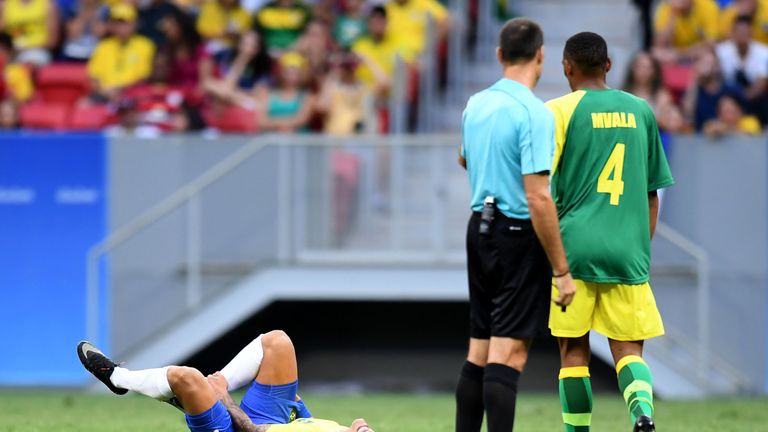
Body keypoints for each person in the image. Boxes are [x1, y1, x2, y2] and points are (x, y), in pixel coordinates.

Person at [545, 32, 675, 432]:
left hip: (574, 248)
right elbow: (652, 194)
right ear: (609, 66)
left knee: (573, 352)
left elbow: (541, 188)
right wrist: (636, 246)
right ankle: (642, 412)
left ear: (566, 66)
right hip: (627, 248)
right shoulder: (641, 110)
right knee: (629, 349)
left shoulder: (558, 111)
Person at [455, 17, 576, 432]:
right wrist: (561, 271)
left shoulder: (475, 103)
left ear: (499, 55)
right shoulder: (534, 112)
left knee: (479, 350)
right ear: (541, 55)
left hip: (479, 228)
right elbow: (538, 195)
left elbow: (464, 158)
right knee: (509, 356)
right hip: (516, 235)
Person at [77, 330, 375, 432]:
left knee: (186, 377)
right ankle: (209, 388)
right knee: (278, 342)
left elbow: (251, 430)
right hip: (273, 423)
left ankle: (118, 377)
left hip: (245, 429)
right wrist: (301, 408)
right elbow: (307, 424)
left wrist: (224, 398)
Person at [87, 4, 156, 103]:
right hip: (105, 94)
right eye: (117, 22)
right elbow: (94, 77)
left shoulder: (146, 45)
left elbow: (144, 78)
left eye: (125, 22)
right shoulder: (103, 46)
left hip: (133, 95)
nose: (121, 27)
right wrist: (105, 91)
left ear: (134, 24)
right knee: (84, 104)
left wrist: (120, 90)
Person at [716, 15, 768, 123]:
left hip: (755, 99)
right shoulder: (721, 52)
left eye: (745, 32)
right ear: (732, 33)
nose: (742, 35)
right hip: (728, 96)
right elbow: (718, 81)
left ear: (752, 33)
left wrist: (740, 101)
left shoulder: (764, 52)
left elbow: (761, 84)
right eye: (739, 32)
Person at [622, 51, 687, 132]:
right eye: (640, 67)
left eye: (648, 67)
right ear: (632, 68)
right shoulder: (623, 95)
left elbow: (668, 121)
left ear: (655, 71)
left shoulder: (662, 95)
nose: (644, 71)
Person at [682, 48, 744, 130]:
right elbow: (687, 114)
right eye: (702, 63)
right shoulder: (694, 91)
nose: (706, 68)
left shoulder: (732, 89)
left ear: (717, 65)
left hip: (730, 136)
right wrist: (695, 79)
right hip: (700, 138)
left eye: (709, 63)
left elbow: (744, 118)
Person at [254, 51, 315, 132]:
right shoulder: (267, 94)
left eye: (295, 73)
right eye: (289, 72)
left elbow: (302, 119)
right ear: (282, 73)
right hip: (272, 139)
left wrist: (274, 122)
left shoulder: (307, 96)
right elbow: (261, 120)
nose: (292, 76)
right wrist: (285, 124)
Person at [652, 0, 719, 63]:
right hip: (676, 52)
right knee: (657, 54)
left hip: (696, 53)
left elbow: (711, 43)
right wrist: (673, 14)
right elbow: (660, 45)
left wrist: (680, 55)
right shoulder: (666, 8)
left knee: (708, 56)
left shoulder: (707, 6)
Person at [0, 0, 59, 65]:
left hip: (37, 51)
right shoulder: (5, 5)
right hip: (10, 51)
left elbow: (52, 42)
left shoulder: (47, 4)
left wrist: (24, 48)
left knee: (29, 63)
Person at [385, 0, 449, 56]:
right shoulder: (386, 9)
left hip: (421, 56)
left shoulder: (422, 3)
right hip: (394, 59)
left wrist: (430, 44)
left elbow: (446, 22)